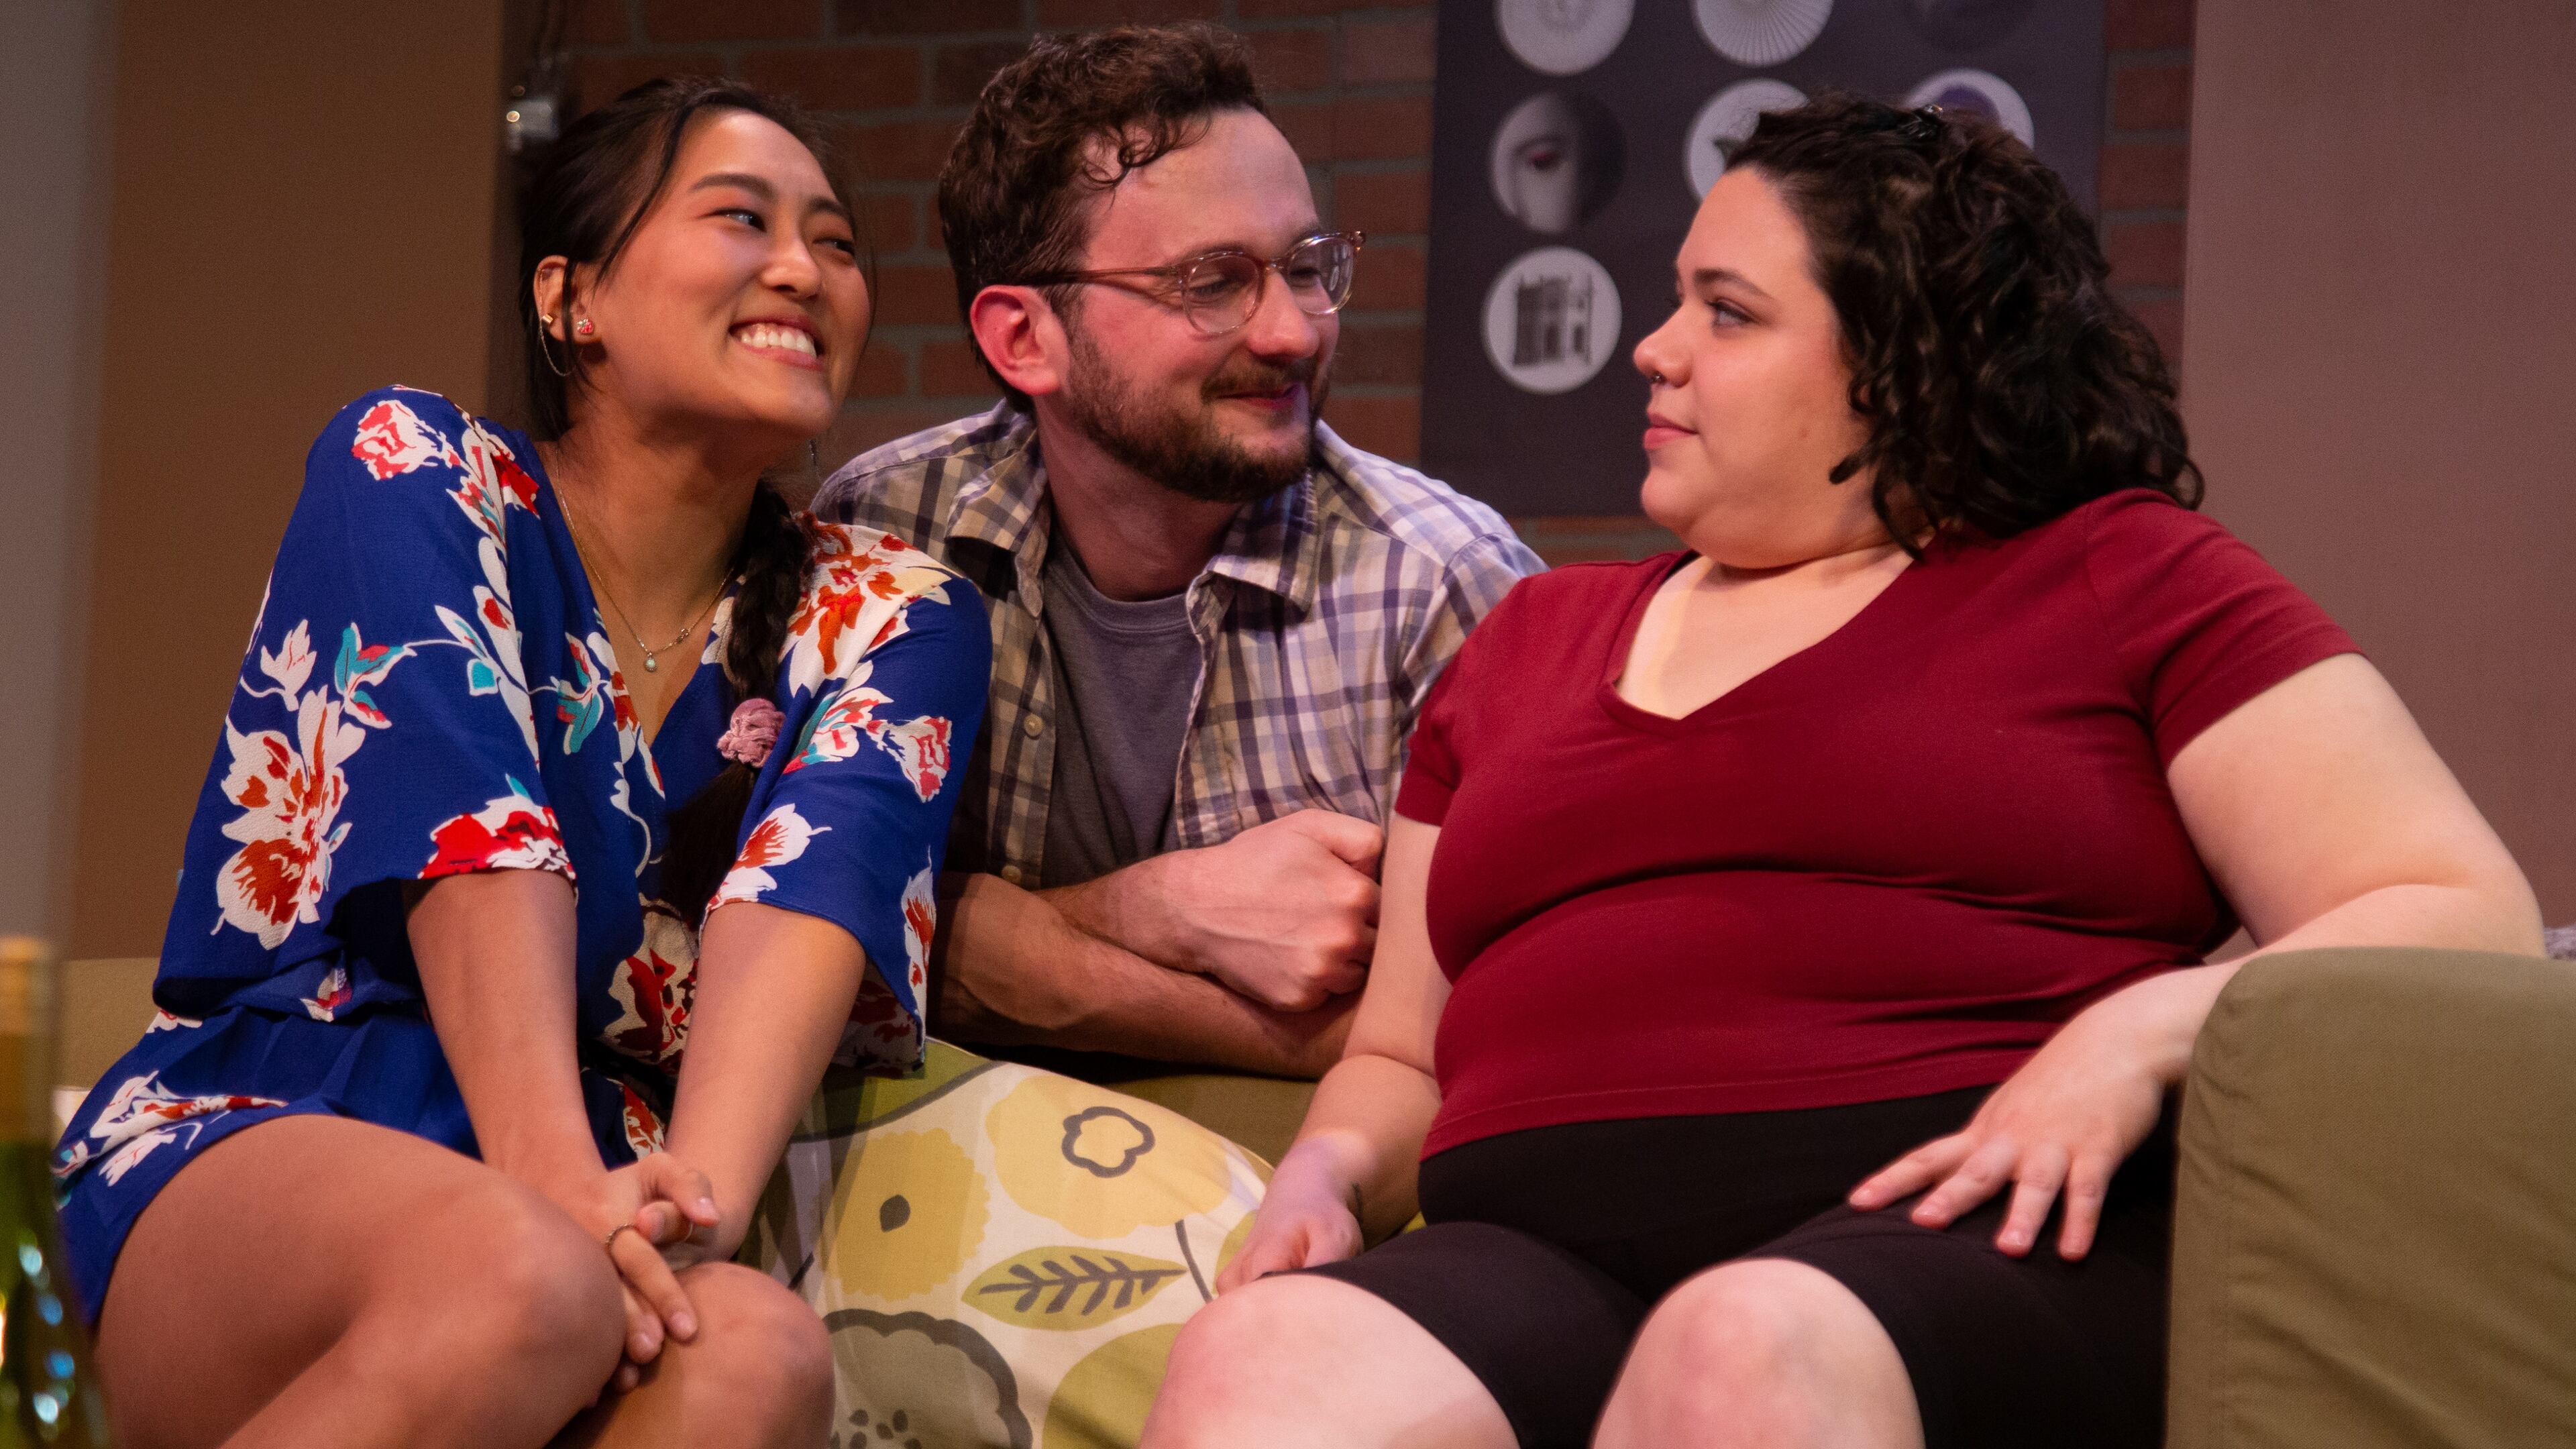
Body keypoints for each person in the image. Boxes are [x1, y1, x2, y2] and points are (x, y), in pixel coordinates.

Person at [1144, 93, 2544, 1449]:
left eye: (1727, 311)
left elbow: (2455, 906)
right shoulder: (1528, 641)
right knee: (1258, 1367)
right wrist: (1330, 1171)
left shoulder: (2117, 576)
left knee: (1738, 1351)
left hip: (1968, 1224)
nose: (1654, 348)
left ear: (1904, 356)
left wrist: (2150, 1029)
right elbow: (1403, 1052)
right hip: (1535, 1257)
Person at [53, 78, 988, 1447]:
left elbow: (806, 906)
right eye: (744, 218)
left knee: (755, 1359)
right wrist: (556, 1188)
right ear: (571, 301)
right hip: (285, 1122)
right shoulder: (418, 462)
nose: (805, 267)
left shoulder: (901, 612)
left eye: (837, 242)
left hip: (608, 1194)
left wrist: (683, 1222)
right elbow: (468, 825)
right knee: (522, 1277)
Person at [814, 23, 1541, 1081]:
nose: (1293, 331)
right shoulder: (886, 530)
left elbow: (1522, 1035)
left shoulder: (1442, 584)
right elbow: (808, 940)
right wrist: (1164, 913)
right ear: (1024, 338)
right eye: (1213, 281)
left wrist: (1012, 946)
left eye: (1305, 267)